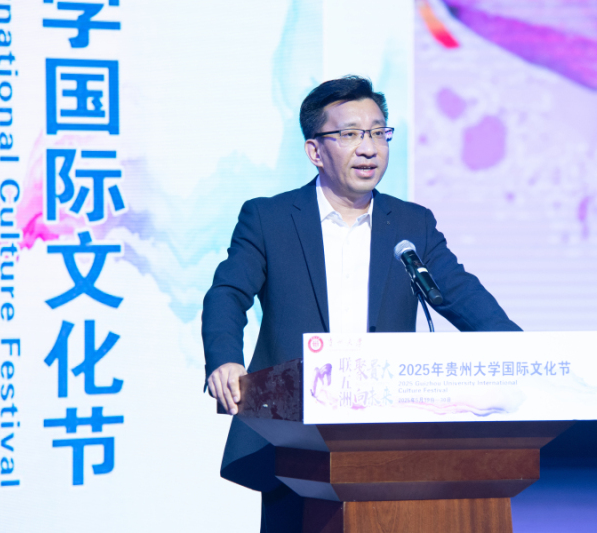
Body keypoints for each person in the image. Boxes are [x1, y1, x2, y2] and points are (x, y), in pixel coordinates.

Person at [202, 75, 520, 532]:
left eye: (378, 132)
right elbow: (228, 293)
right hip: (295, 436)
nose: (369, 148)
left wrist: (520, 354)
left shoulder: (411, 223)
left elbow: (462, 295)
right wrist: (224, 359)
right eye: (350, 134)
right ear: (315, 151)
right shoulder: (269, 218)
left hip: (392, 435)